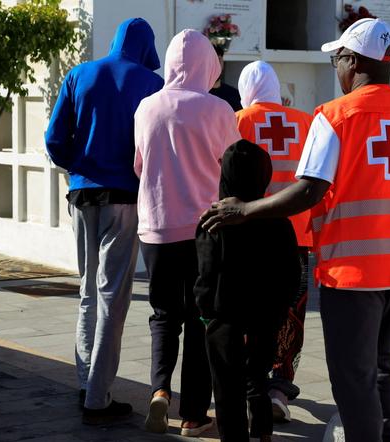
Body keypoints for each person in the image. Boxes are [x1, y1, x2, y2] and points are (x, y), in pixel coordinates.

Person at [200, 18, 390, 441]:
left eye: (337, 58)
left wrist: (245, 209)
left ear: (352, 61)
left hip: (355, 273)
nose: (336, 66)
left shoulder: (335, 116)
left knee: (354, 377)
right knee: (383, 361)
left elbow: (308, 192)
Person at [45, 18, 164, 425]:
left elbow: (53, 139)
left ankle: (86, 384)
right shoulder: (151, 83)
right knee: (114, 297)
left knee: (87, 292)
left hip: (81, 195)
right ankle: (97, 398)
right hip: (124, 199)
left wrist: (78, 167)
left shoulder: (79, 74)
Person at [134, 29, 240, 437]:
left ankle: (160, 392)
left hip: (156, 229)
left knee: (163, 315)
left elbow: (139, 166)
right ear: (207, 64)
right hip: (206, 232)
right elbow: (231, 169)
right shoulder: (218, 110)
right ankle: (194, 415)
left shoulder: (145, 108)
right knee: (200, 320)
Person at [195, 140, 300, 442]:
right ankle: (263, 432)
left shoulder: (213, 220)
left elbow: (206, 274)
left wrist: (204, 314)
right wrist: (280, 309)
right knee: (257, 377)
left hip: (223, 317)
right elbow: (292, 273)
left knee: (227, 386)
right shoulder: (279, 221)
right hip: (266, 314)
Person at [234, 60, 313, 423]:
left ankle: (251, 386)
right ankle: (280, 389)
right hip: (296, 236)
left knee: (251, 311)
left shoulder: (239, 120)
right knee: (291, 312)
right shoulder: (305, 121)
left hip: (251, 236)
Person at [209, 45, 242, 112]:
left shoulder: (235, 95)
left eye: (219, 59)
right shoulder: (199, 95)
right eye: (213, 60)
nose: (217, 64)